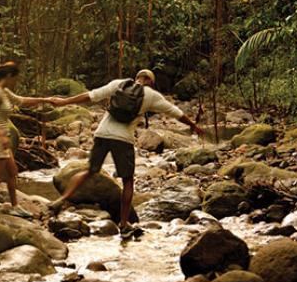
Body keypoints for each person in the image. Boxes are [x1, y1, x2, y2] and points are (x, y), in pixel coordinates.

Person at [47, 69, 205, 237]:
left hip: (102, 133)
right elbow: (176, 113)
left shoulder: (119, 84)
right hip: (123, 139)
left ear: (137, 77)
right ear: (150, 82)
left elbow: (90, 96)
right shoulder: (151, 95)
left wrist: (63, 102)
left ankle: (62, 199)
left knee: (90, 170)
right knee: (127, 181)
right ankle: (123, 224)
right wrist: (193, 126)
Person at [0, 62, 52, 218]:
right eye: (15, 78)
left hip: (3, 138)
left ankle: (15, 206)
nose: (16, 81)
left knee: (12, 171)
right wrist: (2, 136)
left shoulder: (4, 91)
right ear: (9, 76)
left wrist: (44, 99)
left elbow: (21, 100)